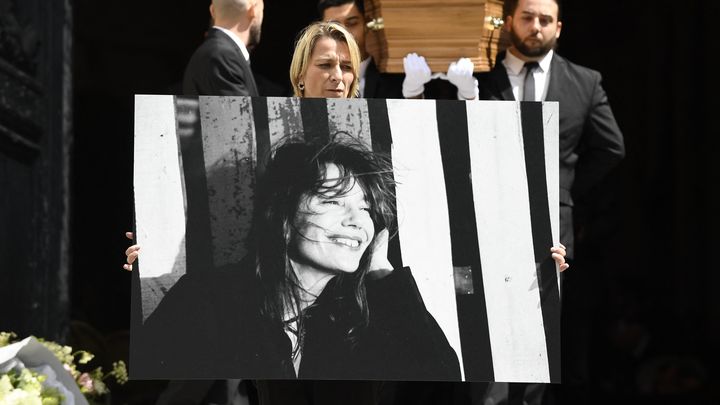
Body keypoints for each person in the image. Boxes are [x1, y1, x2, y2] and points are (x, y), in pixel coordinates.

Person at [473, 0, 625, 403]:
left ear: (559, 27)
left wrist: (564, 191)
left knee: (537, 343)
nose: (535, 27)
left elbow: (612, 148)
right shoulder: (478, 75)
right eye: (527, 18)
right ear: (509, 23)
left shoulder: (584, 81)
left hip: (550, 230)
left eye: (545, 20)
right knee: (483, 343)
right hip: (483, 222)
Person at [316, 0, 478, 101]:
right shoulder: (311, 78)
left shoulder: (396, 79)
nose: (344, 33)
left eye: (352, 23)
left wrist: (414, 93)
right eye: (335, 25)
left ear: (367, 25)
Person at [182, 0, 264, 96]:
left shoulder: (218, 52)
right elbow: (241, 110)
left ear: (212, 10)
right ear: (253, 10)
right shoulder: (223, 56)